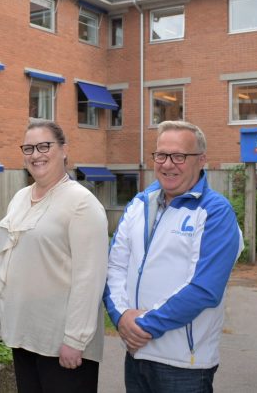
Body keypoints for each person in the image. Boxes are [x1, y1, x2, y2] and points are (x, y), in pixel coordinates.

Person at [103, 120, 244, 393]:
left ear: (201, 160)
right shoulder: (139, 204)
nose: (168, 164)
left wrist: (141, 326)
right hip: (135, 357)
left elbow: (205, 289)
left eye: (179, 156)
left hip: (184, 365)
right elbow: (114, 268)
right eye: (161, 155)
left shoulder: (215, 212)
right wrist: (120, 317)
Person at [0, 119, 108, 393]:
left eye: (44, 146)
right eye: (29, 148)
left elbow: (89, 277)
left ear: (64, 150)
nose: (36, 155)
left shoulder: (82, 203)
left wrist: (75, 340)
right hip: (26, 335)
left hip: (63, 343)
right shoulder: (20, 197)